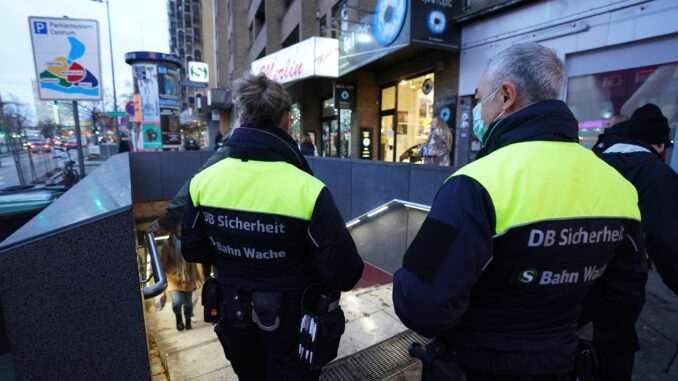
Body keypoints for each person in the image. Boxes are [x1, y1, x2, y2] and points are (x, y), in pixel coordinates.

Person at [392, 43, 646, 380]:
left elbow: (421, 305)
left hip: (475, 366)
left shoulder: (475, 184)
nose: (478, 109)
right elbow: (623, 293)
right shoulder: (617, 186)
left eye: (481, 98)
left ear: (506, 95)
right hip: (561, 364)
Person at [181, 73, 364, 380]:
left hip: (232, 313)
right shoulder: (309, 190)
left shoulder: (203, 182)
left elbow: (193, 247)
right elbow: (344, 272)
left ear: (241, 117)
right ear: (286, 120)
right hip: (292, 326)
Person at [580, 103, 678, 381]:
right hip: (623, 275)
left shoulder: (594, 161)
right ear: (659, 145)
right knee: (616, 343)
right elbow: (662, 235)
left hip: (578, 261)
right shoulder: (658, 174)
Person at [161, 229, 201, 331]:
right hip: (174, 278)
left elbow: (192, 261)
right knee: (177, 302)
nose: (180, 228)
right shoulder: (167, 244)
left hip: (187, 277)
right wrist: (173, 272)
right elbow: (163, 264)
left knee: (188, 303)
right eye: (178, 226)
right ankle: (178, 317)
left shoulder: (187, 241)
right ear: (173, 229)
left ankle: (187, 320)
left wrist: (196, 278)